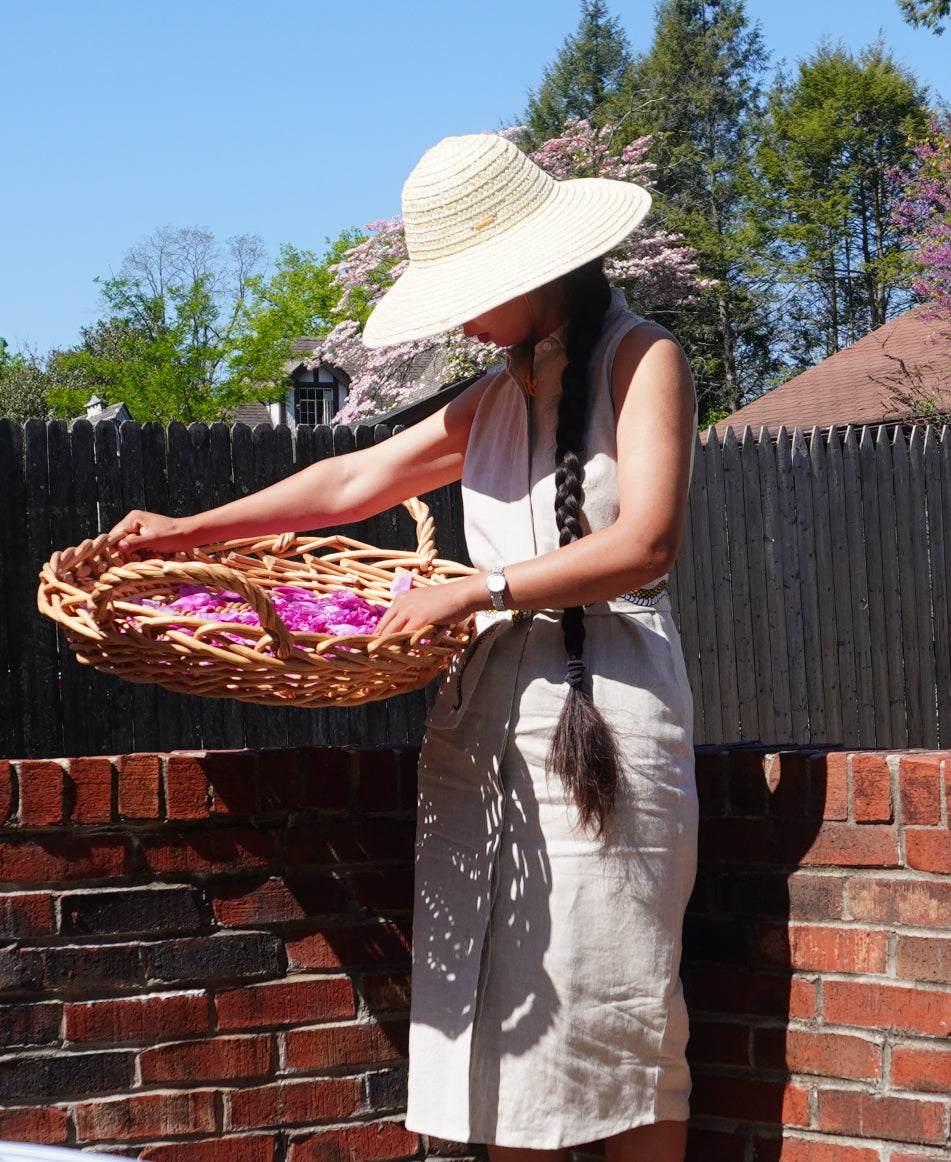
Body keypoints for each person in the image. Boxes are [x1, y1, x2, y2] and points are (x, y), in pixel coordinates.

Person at [111, 133, 698, 1162]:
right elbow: (352, 481)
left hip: (608, 711)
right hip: (490, 730)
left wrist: (484, 588)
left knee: (617, 1009)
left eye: (474, 286)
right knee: (514, 1032)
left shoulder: (643, 359)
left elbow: (646, 540)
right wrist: (189, 530)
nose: (464, 316)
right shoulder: (497, 395)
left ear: (536, 264)